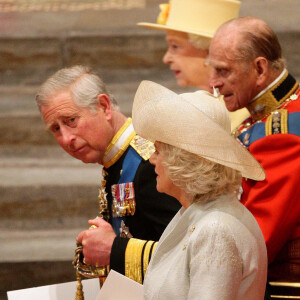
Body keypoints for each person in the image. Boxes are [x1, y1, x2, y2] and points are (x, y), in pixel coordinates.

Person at [35, 65, 181, 280]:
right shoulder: (116, 160)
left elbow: (189, 254)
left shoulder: (151, 163)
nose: (66, 139)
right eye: (56, 129)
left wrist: (114, 249)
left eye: (71, 121)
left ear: (104, 107)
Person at [132, 80, 267, 300]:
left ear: (183, 159)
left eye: (158, 150)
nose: (151, 159)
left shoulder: (216, 230)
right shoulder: (198, 213)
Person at [208, 16, 300, 283]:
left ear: (260, 69)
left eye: (223, 71)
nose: (213, 81)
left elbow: (253, 244)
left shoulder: (283, 132)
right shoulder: (261, 120)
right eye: (212, 69)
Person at [137, 0, 250, 131]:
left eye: (175, 46)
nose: (166, 58)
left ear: (211, 51)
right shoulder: (204, 108)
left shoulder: (239, 116)